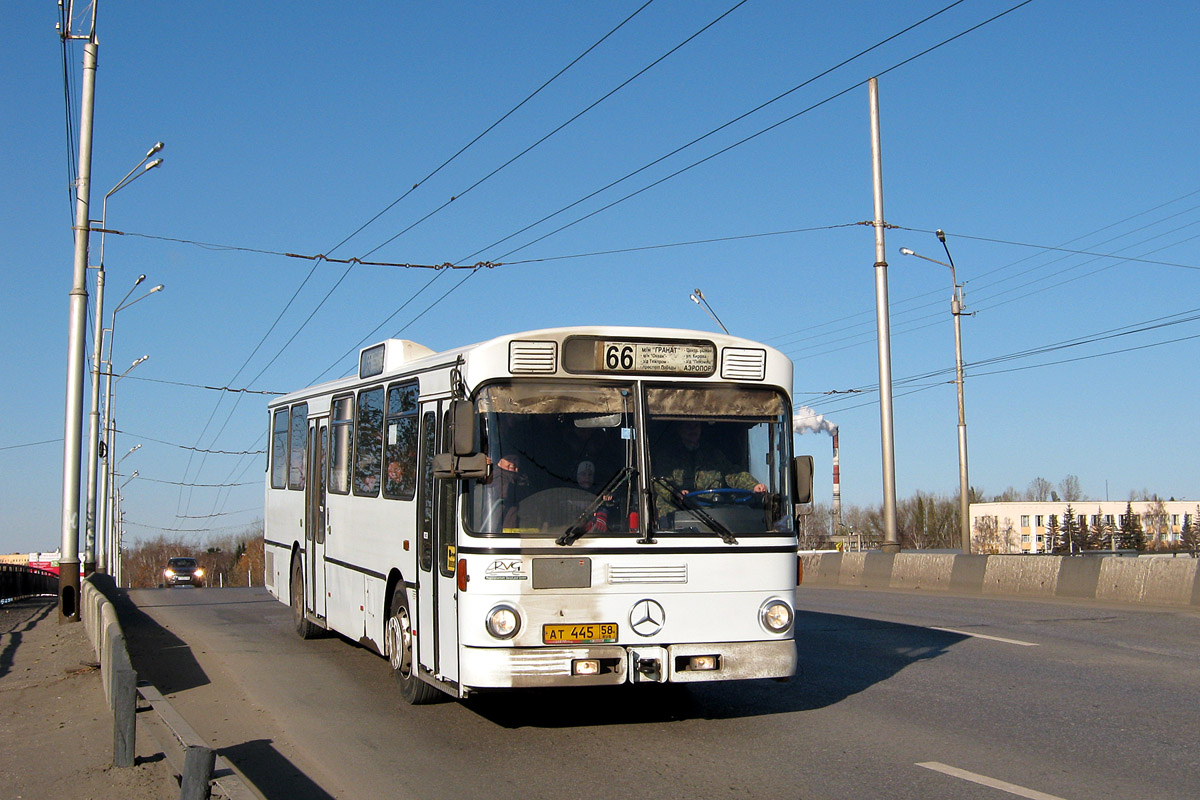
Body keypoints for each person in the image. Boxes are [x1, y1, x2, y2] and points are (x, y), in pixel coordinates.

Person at [652, 420, 766, 511]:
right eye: (688, 426)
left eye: (696, 426)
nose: (693, 430)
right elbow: (661, 482)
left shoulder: (713, 455)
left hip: (712, 517)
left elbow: (733, 474)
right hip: (674, 516)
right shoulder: (667, 456)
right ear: (679, 429)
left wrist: (754, 486)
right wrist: (676, 494)